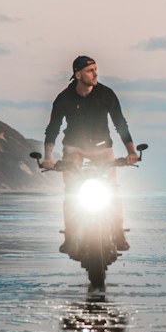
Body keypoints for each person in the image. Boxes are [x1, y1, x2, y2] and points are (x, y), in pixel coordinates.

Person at [42, 55, 138, 251]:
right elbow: (53, 128)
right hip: (74, 147)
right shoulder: (63, 98)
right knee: (71, 192)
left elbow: (120, 123)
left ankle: (119, 235)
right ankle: (70, 237)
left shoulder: (106, 94)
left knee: (113, 190)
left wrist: (131, 152)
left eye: (95, 69)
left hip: (102, 147)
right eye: (90, 71)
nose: (95, 74)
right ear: (78, 75)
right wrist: (48, 157)